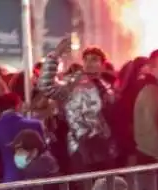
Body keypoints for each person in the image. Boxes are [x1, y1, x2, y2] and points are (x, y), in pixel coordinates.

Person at [39, 37, 116, 173]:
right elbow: (46, 86)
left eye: (94, 59)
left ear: (103, 64)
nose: (89, 63)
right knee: (85, 189)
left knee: (105, 189)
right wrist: (55, 56)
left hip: (105, 149)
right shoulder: (73, 84)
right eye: (86, 59)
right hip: (81, 148)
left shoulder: (108, 87)